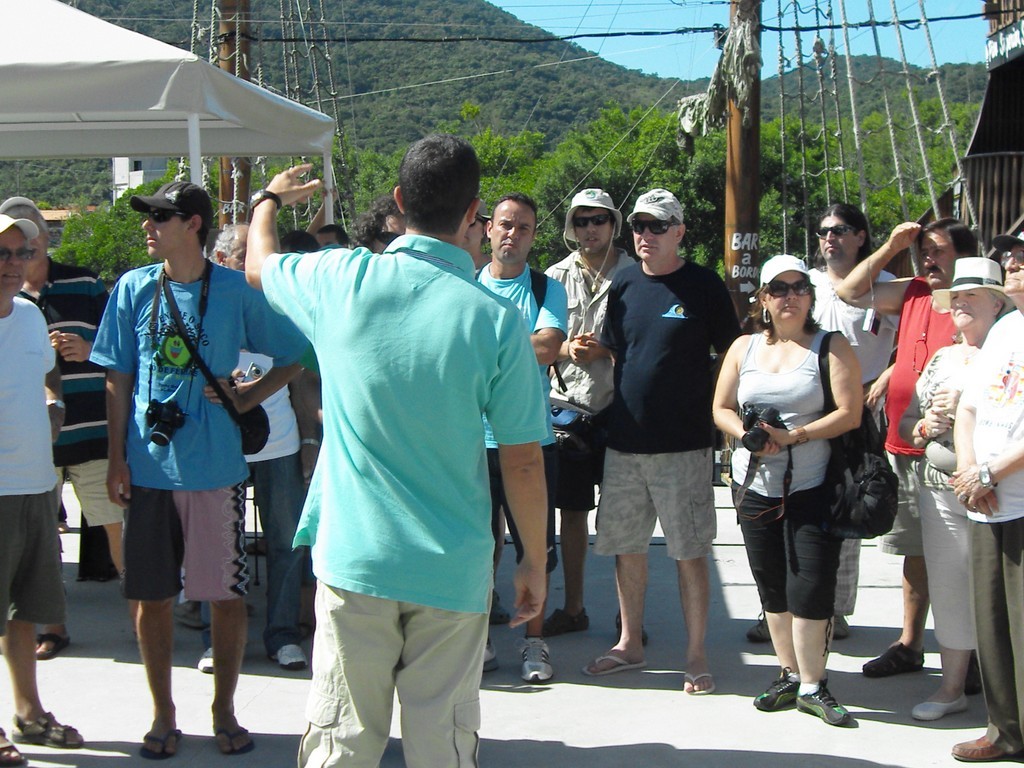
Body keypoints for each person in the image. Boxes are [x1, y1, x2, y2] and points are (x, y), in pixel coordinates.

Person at [243, 136, 549, 768]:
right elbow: (522, 460)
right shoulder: (496, 322)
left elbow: (259, 264)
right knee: (442, 745)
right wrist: (534, 562)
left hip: (357, 559)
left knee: (343, 742)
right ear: (475, 214)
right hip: (454, 568)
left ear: (401, 201)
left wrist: (269, 200)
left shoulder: (339, 279)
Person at [90, 181, 307, 759]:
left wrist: (248, 395)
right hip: (148, 470)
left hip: (216, 472)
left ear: (193, 224)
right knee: (152, 598)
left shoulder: (236, 291)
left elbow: (295, 353)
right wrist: (116, 458)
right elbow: (118, 378)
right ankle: (163, 714)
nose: (147, 226)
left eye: (159, 216)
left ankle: (224, 710)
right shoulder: (133, 288)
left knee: (225, 596)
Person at [583, 189, 739, 695]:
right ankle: (630, 643)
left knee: (689, 553)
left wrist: (723, 417)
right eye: (638, 227)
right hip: (624, 444)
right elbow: (616, 349)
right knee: (626, 550)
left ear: (679, 232)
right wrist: (591, 351)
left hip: (685, 446)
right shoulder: (624, 282)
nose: (644, 236)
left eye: (655, 227)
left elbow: (732, 356)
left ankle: (696, 655)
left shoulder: (704, 286)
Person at [713, 254, 862, 725]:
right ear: (763, 299)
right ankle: (790, 675)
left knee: (811, 587)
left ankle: (816, 684)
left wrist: (794, 436)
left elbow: (849, 413)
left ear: (810, 296)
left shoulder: (830, 346)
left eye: (799, 287)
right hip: (755, 484)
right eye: (779, 289)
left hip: (812, 485)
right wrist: (747, 434)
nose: (790, 296)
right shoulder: (744, 348)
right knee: (772, 586)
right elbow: (719, 407)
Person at [835, 217, 977, 678]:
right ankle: (911, 643)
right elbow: (850, 292)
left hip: (952, 451)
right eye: (923, 251)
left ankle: (972, 654)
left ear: (965, 255)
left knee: (962, 557)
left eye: (937, 251)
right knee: (914, 553)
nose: (927, 259)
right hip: (902, 444)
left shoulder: (973, 306)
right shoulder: (914, 290)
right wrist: (894, 245)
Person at [1, 195, 128, 660]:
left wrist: (87, 346)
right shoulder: (10, 298)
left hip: (92, 432)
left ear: (44, 239)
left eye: (28, 240)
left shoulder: (84, 282)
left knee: (116, 527)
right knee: (43, 539)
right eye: (9, 246)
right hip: (29, 448)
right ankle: (52, 627)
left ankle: (140, 615)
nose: (19, 255)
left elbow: (120, 345)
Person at [201, 223, 320, 673]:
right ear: (218, 257)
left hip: (278, 442)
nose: (248, 263)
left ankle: (283, 634)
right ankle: (222, 639)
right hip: (219, 443)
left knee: (286, 541)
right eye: (239, 254)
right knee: (220, 544)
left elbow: (299, 363)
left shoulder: (276, 302)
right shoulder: (202, 305)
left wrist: (308, 439)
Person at [896, 256, 1008, 721]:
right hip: (941, 489)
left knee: (1003, 591)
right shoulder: (943, 357)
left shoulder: (1011, 355)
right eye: (955, 296)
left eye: (972, 296)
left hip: (1002, 491)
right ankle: (952, 688)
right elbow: (904, 425)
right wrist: (925, 424)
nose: (960, 303)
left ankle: (1007, 698)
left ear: (997, 303)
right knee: (948, 587)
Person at [0, 212, 84, 764]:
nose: (12, 264)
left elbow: (47, 376)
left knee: (26, 610)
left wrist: (53, 405)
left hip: (35, 485)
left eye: (20, 253)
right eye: (1, 255)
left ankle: (28, 714)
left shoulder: (30, 316)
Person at [477, 192, 568, 682]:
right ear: (489, 228)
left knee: (535, 547)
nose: (512, 234)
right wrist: (517, 344)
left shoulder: (545, 288)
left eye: (524, 228)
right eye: (506, 225)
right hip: (473, 440)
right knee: (478, 543)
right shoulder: (466, 284)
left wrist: (483, 348)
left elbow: (549, 346)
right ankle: (480, 638)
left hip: (531, 438)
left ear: (534, 236)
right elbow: (528, 345)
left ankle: (535, 644)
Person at [542, 188, 633, 638]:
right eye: (581, 220)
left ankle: (627, 620)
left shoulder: (637, 275)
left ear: (614, 224)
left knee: (622, 519)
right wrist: (565, 347)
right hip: (568, 414)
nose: (590, 228)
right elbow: (535, 342)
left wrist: (607, 349)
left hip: (620, 412)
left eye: (599, 219)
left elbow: (649, 344)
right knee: (572, 514)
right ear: (571, 227)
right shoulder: (551, 279)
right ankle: (573, 608)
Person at [948, 233, 1024, 762]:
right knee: (993, 625)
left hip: (1014, 497)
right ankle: (1005, 732)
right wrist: (971, 471)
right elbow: (970, 409)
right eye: (1010, 257)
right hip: (987, 500)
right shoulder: (1006, 330)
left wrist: (991, 472)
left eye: (1023, 255)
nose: (1013, 261)